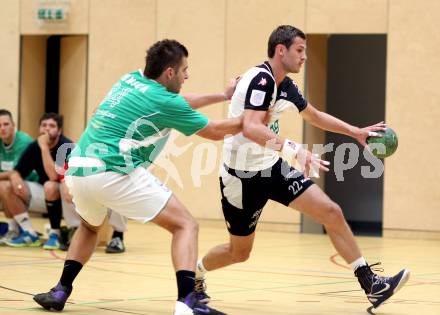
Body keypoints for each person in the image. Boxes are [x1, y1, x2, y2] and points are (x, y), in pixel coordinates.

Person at [194, 25, 410, 310]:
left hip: (272, 167)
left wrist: (354, 132)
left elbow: (314, 116)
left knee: (330, 211)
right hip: (241, 178)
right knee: (239, 252)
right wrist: (294, 149)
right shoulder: (261, 79)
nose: (304, 56)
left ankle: (371, 284)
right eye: (300, 50)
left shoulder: (285, 85)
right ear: (280, 50)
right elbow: (250, 129)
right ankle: (196, 273)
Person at [33, 39, 243, 315]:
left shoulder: (130, 79)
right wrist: (253, 119)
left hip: (79, 169)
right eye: (184, 70)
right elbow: (215, 131)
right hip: (112, 171)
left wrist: (223, 95)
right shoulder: (164, 100)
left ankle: (60, 290)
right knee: (186, 226)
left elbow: (179, 102)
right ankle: (187, 302)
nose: (187, 76)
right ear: (170, 72)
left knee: (89, 227)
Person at [3, 113, 73, 249]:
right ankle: (28, 233)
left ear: (59, 131)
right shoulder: (34, 146)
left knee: (50, 185)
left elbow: (54, 176)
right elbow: (18, 171)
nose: (47, 129)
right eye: (43, 125)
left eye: (52, 126)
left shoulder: (65, 146)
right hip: (45, 194)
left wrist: (44, 148)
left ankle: (55, 233)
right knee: (6, 185)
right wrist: (15, 177)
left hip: (68, 198)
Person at [0, 109, 39, 244]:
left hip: (38, 187)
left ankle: (29, 233)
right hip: (19, 187)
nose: (2, 128)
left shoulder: (23, 141)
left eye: (6, 124)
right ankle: (13, 229)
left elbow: (15, 173)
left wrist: (10, 174)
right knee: (4, 185)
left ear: (13, 125)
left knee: (5, 185)